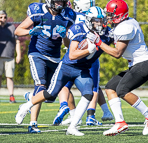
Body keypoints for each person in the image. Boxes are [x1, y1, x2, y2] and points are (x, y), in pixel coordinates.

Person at [15, 6, 114, 136]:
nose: (100, 23)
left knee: (88, 93)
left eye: (101, 20)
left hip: (82, 69)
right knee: (50, 94)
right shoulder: (79, 29)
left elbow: (118, 47)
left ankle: (73, 127)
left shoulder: (107, 33)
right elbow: (72, 54)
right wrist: (88, 50)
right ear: (89, 20)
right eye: (96, 20)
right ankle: (27, 105)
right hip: (67, 67)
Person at [86, 0, 148, 136]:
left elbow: (117, 53)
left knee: (122, 90)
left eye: (110, 15)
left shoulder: (125, 27)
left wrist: (98, 42)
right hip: (137, 64)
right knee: (110, 87)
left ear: (118, 15)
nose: (108, 17)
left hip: (144, 64)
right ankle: (120, 123)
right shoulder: (125, 23)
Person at [14, 0, 76, 133]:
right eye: (57, 2)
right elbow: (18, 31)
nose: (60, 5)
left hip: (54, 56)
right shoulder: (38, 11)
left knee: (51, 94)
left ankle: (30, 98)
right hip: (37, 53)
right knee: (40, 85)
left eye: (62, 2)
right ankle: (33, 124)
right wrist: (31, 31)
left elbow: (67, 44)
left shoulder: (67, 15)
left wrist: (64, 35)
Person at [54, 0, 113, 126]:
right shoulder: (95, 17)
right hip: (88, 56)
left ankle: (69, 110)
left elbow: (67, 42)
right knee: (93, 86)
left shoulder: (74, 16)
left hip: (72, 57)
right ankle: (90, 116)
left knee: (64, 84)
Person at [0, 10, 21, 103]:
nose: (3, 19)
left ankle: (11, 96)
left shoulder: (12, 27)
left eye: (5, 17)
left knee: (9, 77)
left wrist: (18, 54)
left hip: (9, 56)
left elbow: (17, 41)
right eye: (1, 17)